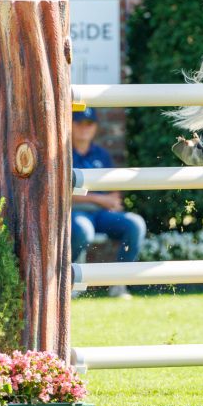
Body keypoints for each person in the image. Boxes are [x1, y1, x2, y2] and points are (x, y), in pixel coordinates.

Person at [70, 108, 146, 296]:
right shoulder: (63, 154)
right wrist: (99, 198)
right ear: (69, 125)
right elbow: (61, 194)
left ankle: (118, 284)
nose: (84, 128)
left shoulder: (102, 155)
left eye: (89, 124)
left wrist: (111, 200)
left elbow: (114, 188)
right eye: (79, 123)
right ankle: (69, 283)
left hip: (102, 213)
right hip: (74, 212)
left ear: (95, 127)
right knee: (83, 231)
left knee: (135, 224)